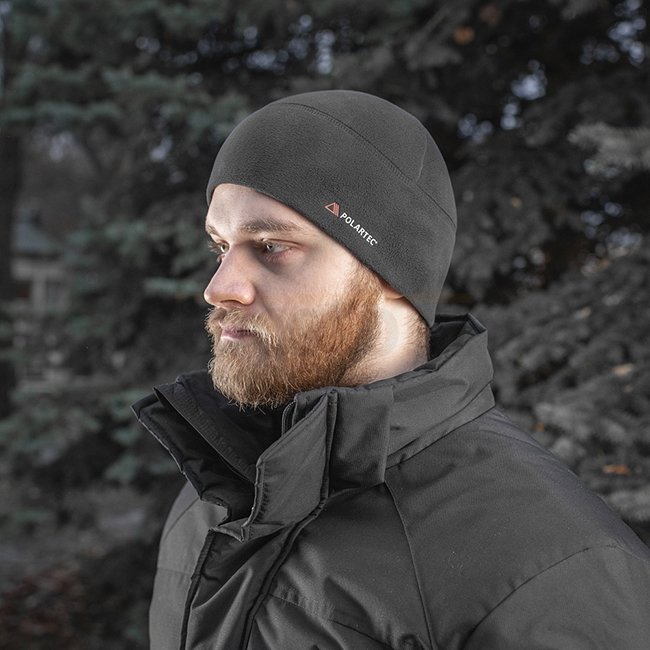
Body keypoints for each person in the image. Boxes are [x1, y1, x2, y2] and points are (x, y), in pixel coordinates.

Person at [132, 90, 650, 650]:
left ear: (391, 269)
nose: (220, 288)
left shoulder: (550, 568)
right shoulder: (217, 496)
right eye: (221, 246)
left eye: (271, 246)